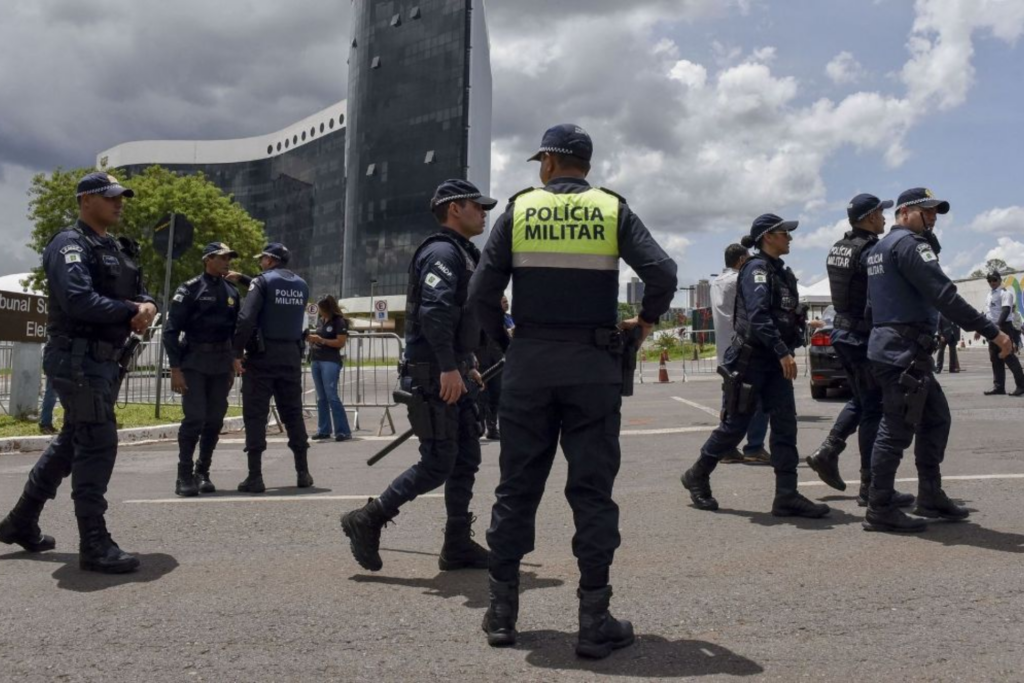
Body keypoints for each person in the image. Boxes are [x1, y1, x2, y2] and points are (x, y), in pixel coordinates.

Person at [469, 124, 678, 658]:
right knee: (591, 491)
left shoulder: (521, 210)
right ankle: (594, 619)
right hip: (592, 367)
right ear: (584, 163)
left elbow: (481, 293)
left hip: (529, 365)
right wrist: (647, 321)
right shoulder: (611, 209)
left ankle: (501, 615)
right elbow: (662, 271)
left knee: (517, 489)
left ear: (547, 163)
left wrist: (507, 340)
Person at [0, 172, 157, 573]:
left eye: (121, 197)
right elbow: (77, 299)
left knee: (73, 441)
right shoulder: (69, 244)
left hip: (102, 360)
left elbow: (139, 292)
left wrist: (148, 306)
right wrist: (130, 311)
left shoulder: (116, 248)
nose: (119, 203)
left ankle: (20, 521)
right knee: (98, 442)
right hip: (77, 357)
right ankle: (93, 542)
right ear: (86, 200)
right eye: (110, 197)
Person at [341, 179, 495, 574]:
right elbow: (435, 312)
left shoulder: (462, 252)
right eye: (477, 206)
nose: (484, 212)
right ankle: (369, 518)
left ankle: (457, 543)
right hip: (433, 375)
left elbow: (462, 315)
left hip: (453, 370)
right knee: (439, 462)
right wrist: (447, 366)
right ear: (454, 208)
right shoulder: (443, 252)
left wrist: (467, 362)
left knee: (465, 459)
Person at [863, 188, 1012, 532]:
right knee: (896, 429)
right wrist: (993, 331)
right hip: (903, 352)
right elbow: (945, 295)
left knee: (936, 418)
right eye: (925, 211)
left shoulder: (879, 249)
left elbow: (872, 306)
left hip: (894, 349)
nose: (932, 218)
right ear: (904, 212)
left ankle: (929, 495)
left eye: (934, 213)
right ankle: (880, 507)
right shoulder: (912, 246)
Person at [681, 214, 829, 520]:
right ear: (767, 237)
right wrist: (781, 352)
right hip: (753, 361)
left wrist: (799, 328)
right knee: (735, 426)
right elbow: (759, 318)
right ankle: (697, 474)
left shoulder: (780, 272)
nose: (790, 237)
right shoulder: (756, 270)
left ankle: (786, 495)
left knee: (786, 426)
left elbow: (788, 313)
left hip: (775, 362)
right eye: (784, 232)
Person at [806, 194, 914, 508]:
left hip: (843, 332)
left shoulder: (839, 247)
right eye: (880, 212)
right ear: (868, 217)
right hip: (860, 335)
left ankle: (828, 451)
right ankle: (870, 485)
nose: (884, 217)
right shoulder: (869, 251)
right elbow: (878, 294)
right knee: (874, 409)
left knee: (861, 399)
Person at [231, 242, 312, 493]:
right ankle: (303, 472)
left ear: (268, 259)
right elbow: (278, 297)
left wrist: (236, 351)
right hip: (290, 356)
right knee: (293, 414)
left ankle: (255, 476)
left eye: (262, 259)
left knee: (255, 414)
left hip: (263, 357)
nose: (260, 263)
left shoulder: (261, 282)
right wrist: (246, 279)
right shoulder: (301, 284)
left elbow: (246, 318)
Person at [163, 242, 241, 497]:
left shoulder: (232, 291)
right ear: (208, 259)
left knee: (215, 420)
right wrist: (175, 368)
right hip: (194, 361)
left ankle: (202, 471)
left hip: (220, 363)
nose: (227, 261)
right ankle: (183, 475)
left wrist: (234, 360)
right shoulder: (190, 289)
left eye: (229, 257)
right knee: (195, 418)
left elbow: (235, 331)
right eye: (222, 257)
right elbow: (171, 331)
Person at [710, 243, 770, 464]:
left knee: (731, 400)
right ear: (741, 261)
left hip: (724, 349)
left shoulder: (716, 282)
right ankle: (754, 446)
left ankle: (727, 447)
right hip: (743, 348)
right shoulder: (738, 280)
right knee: (759, 399)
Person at [308, 294, 353, 442]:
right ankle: (324, 429)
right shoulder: (321, 321)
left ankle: (343, 431)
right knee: (321, 398)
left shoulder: (338, 321)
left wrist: (321, 340)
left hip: (330, 361)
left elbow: (340, 342)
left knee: (331, 395)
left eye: (321, 308)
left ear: (327, 308)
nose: (319, 311)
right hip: (316, 359)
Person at [978, 271, 1024, 396]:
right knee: (995, 358)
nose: (992, 283)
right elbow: (987, 314)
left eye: (994, 280)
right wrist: (980, 329)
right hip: (991, 328)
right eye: (989, 280)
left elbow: (1006, 309)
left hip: (1003, 327)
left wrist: (998, 325)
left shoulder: (1005, 293)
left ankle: (1021, 385)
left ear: (999, 279)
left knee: (1009, 357)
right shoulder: (989, 295)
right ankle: (999, 386)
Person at [476, 295, 510, 441]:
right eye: (503, 302)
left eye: (506, 302)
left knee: (496, 394)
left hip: (497, 361)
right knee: (482, 395)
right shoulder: (481, 317)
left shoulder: (505, 318)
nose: (506, 304)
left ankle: (492, 427)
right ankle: (480, 426)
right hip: (482, 360)